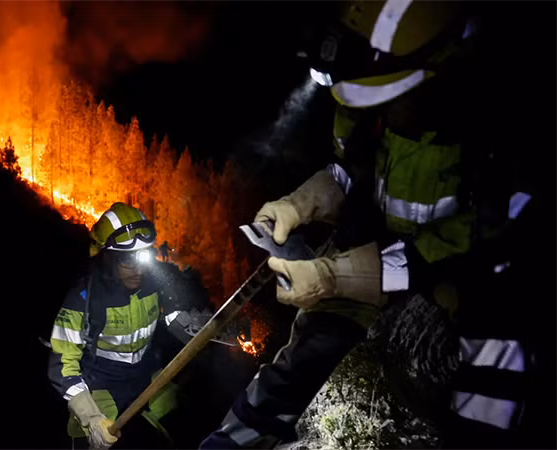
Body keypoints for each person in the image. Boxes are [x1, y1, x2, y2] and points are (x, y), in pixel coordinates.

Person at [200, 1, 539, 448]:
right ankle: (234, 440)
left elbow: (461, 248)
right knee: (307, 348)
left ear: (440, 73)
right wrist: (298, 205)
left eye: (389, 100)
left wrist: (332, 275)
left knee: (490, 369)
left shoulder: (506, 136)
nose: (380, 112)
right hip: (376, 250)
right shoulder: (372, 93)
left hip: (467, 287)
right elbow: (349, 170)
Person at [48, 202, 181, 449]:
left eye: (143, 258)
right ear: (108, 259)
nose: (138, 269)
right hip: (100, 386)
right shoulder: (83, 299)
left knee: (178, 426)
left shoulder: (154, 285)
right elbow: (61, 367)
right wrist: (90, 419)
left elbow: (175, 316)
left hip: (146, 380)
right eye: (126, 261)